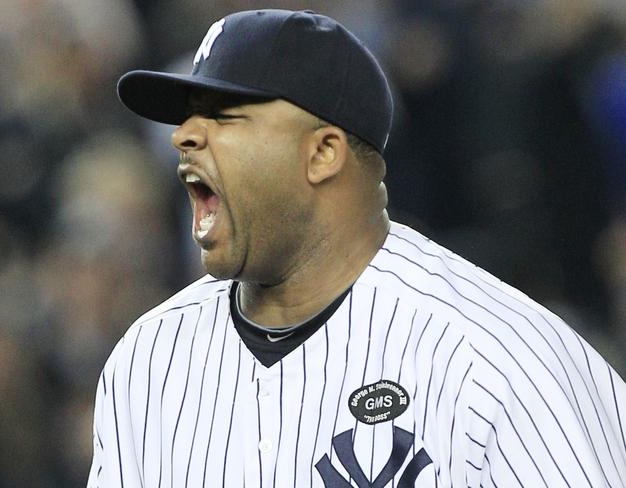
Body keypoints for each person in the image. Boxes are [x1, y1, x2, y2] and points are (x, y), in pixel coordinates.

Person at [88, 9, 626, 488]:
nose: (183, 136)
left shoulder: (500, 361)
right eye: (186, 117)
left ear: (323, 153)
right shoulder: (148, 360)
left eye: (224, 116)